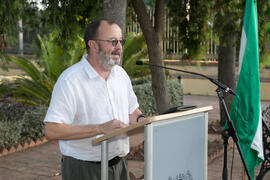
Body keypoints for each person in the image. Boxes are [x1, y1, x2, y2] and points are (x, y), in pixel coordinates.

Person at [43, 18, 145, 180]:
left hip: (120, 166)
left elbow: (132, 110)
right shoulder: (70, 80)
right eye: (112, 41)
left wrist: (142, 120)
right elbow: (52, 130)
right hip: (84, 169)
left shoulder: (121, 75)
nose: (118, 47)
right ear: (93, 45)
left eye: (121, 41)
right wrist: (100, 128)